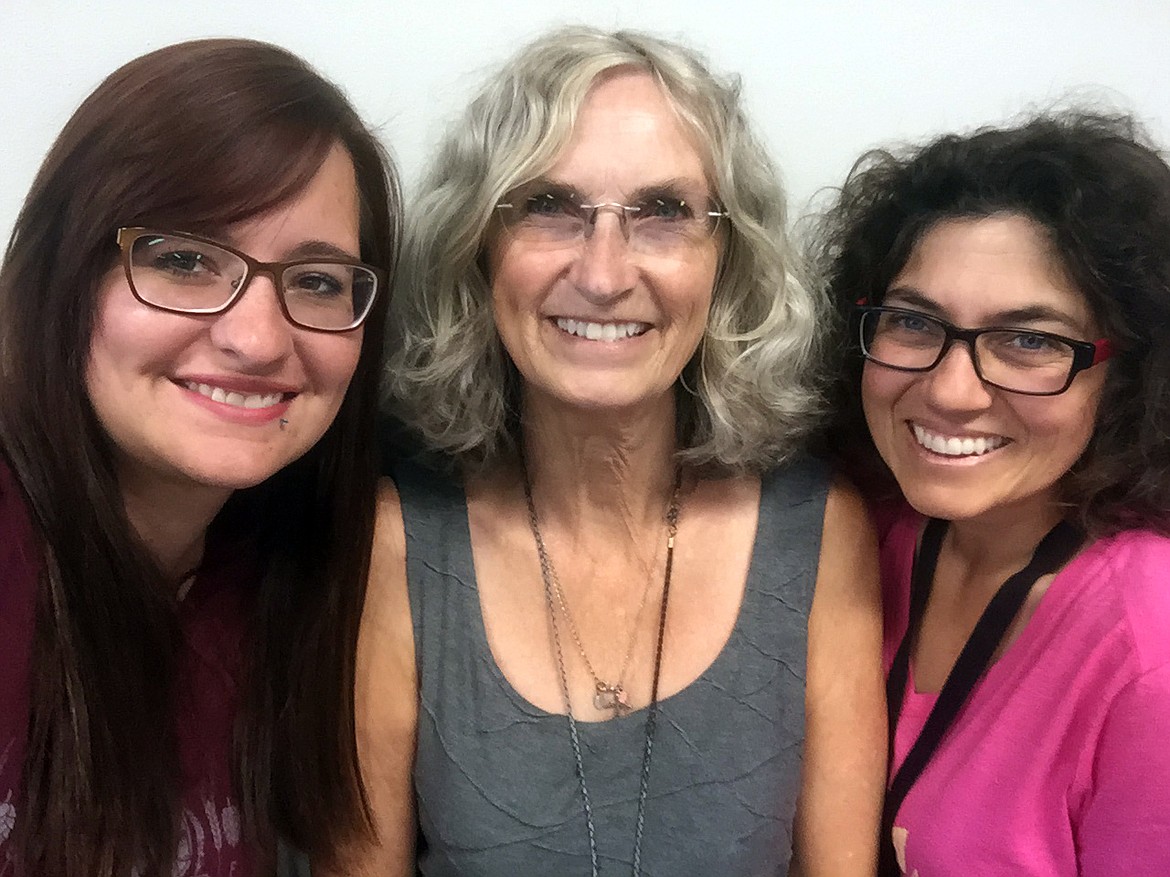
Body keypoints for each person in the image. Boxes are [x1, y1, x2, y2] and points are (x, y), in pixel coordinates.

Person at [344, 26, 885, 877]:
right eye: (550, 206)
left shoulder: (818, 535)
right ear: (480, 247)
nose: (603, 273)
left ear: (727, 259)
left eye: (664, 212)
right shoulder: (398, 543)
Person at [0, 39, 400, 877]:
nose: (256, 338)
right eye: (183, 260)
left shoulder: (298, 580)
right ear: (63, 275)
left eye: (319, 281)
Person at [817, 111, 1170, 875]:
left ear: (1131, 373)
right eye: (914, 322)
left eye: (1031, 340)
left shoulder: (1150, 648)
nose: (951, 392)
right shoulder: (865, 533)